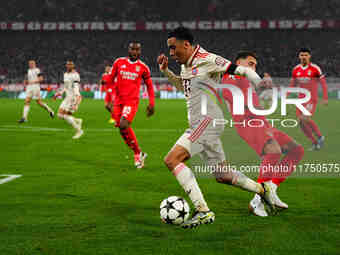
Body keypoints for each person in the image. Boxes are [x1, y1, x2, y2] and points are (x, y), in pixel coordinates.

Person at [158, 27, 276, 229]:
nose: (170, 53)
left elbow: (244, 70)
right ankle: (263, 189)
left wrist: (260, 85)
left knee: (172, 159)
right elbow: (185, 88)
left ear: (186, 45)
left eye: (173, 48)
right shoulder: (185, 65)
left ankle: (203, 211)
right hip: (202, 123)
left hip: (207, 122)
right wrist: (165, 72)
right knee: (223, 175)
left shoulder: (208, 58)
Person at [221, 51, 304, 217]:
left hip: (263, 123)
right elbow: (233, 98)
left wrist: (261, 88)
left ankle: (271, 189)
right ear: (238, 63)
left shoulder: (248, 81)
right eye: (250, 63)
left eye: (255, 65)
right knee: (273, 152)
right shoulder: (230, 77)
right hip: (247, 123)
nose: (254, 67)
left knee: (297, 150)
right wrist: (260, 86)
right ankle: (257, 200)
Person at [103, 42, 155, 168]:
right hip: (118, 101)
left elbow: (149, 85)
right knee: (122, 129)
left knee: (123, 124)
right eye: (132, 49)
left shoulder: (143, 67)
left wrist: (151, 103)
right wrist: (108, 98)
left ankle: (137, 153)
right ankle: (138, 153)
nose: (135, 52)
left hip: (131, 101)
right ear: (128, 50)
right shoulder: (119, 62)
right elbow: (109, 80)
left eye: (137, 50)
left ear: (140, 52)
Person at [289, 48, 328, 150]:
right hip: (300, 100)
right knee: (301, 123)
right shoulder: (296, 69)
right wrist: (287, 94)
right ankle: (315, 143)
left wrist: (325, 97)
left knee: (304, 118)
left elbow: (323, 83)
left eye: (306, 55)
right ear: (299, 56)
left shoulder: (315, 68)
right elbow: (292, 84)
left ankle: (320, 137)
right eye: (302, 55)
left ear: (309, 56)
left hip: (311, 99)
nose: (304, 57)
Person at [54, 61, 83, 139]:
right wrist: (59, 93)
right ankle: (78, 120)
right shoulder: (65, 74)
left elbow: (76, 87)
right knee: (60, 115)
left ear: (73, 66)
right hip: (67, 97)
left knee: (66, 116)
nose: (68, 66)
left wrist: (77, 99)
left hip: (73, 97)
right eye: (67, 64)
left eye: (70, 64)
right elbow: (66, 86)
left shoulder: (76, 75)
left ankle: (79, 131)